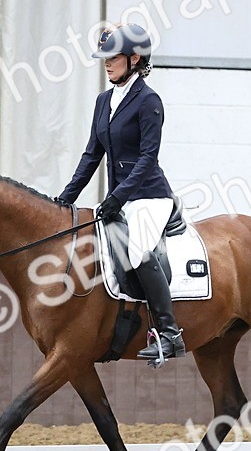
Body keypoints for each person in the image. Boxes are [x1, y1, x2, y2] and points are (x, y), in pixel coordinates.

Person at [57, 23, 186, 365]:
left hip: (150, 196)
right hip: (121, 197)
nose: (106, 63)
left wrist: (117, 197)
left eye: (112, 57)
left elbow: (147, 158)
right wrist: (64, 200)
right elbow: (91, 156)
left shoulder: (149, 101)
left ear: (135, 59)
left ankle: (170, 334)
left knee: (140, 248)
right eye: (104, 58)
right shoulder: (103, 102)